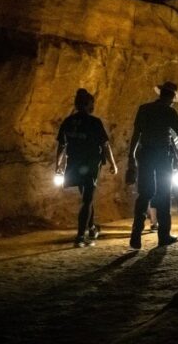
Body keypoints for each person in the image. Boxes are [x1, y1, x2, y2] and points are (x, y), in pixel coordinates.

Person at [127, 81, 178, 249]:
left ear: (160, 93)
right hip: (162, 156)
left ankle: (135, 237)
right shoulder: (169, 112)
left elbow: (136, 135)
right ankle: (164, 235)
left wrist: (131, 157)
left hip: (145, 154)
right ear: (172, 98)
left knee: (144, 193)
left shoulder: (144, 109)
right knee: (163, 193)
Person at [55, 88, 117, 248]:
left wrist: (58, 165)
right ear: (88, 104)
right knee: (87, 199)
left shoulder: (68, 121)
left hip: (74, 164)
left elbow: (62, 145)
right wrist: (113, 164)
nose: (93, 106)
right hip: (90, 165)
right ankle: (80, 237)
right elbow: (105, 145)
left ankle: (91, 228)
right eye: (92, 103)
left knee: (86, 198)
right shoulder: (94, 122)